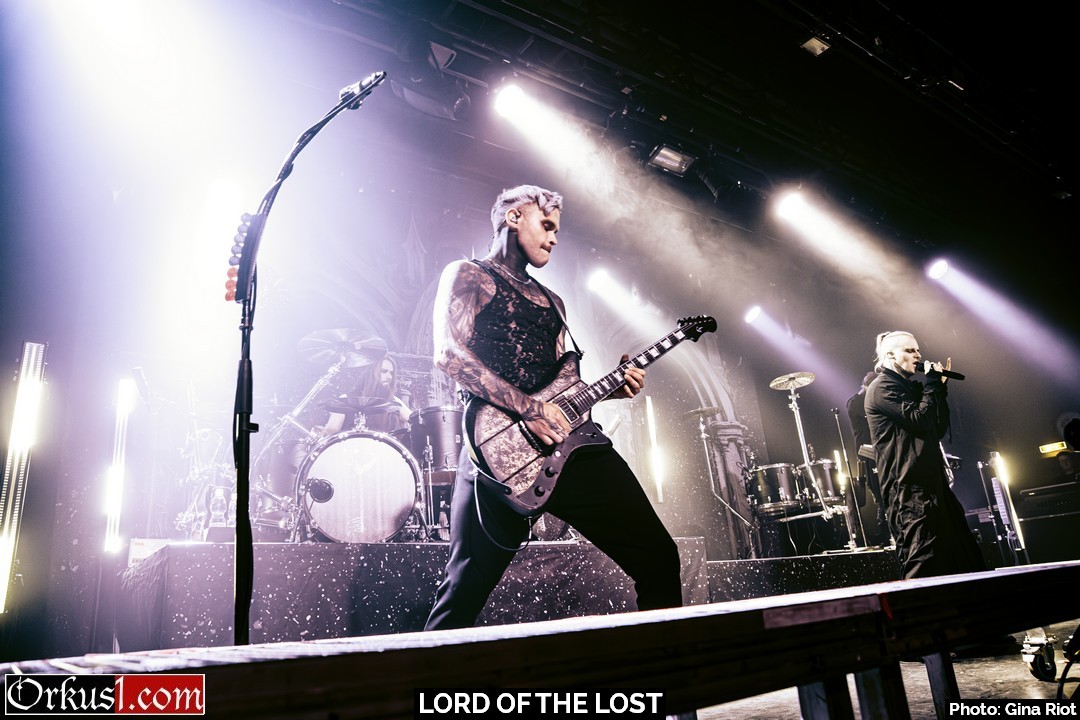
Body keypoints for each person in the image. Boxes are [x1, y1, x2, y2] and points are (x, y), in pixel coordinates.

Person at [423, 184, 683, 630]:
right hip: (496, 447)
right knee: (462, 590)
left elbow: (564, 387)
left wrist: (610, 389)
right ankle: (421, 677)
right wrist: (530, 410)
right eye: (546, 225)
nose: (554, 238)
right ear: (513, 217)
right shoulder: (469, 274)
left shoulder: (553, 302)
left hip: (573, 450)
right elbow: (449, 355)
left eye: (557, 230)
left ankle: (670, 669)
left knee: (658, 556)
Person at [864, 330, 986, 579]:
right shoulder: (882, 388)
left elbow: (935, 428)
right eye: (909, 350)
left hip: (934, 486)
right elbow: (919, 420)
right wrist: (931, 385)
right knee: (923, 562)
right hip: (909, 492)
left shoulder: (908, 387)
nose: (918, 355)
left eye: (918, 350)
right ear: (890, 355)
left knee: (965, 559)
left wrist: (940, 389)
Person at [316, 354, 412, 437]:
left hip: (384, 451)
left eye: (391, 373)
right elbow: (332, 430)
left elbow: (414, 419)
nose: (389, 377)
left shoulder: (394, 401)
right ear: (371, 373)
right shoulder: (346, 399)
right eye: (384, 371)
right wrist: (324, 432)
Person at [846, 371, 888, 545]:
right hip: (869, 454)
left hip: (880, 451)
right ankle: (886, 534)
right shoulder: (855, 402)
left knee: (886, 493)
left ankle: (889, 530)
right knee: (880, 494)